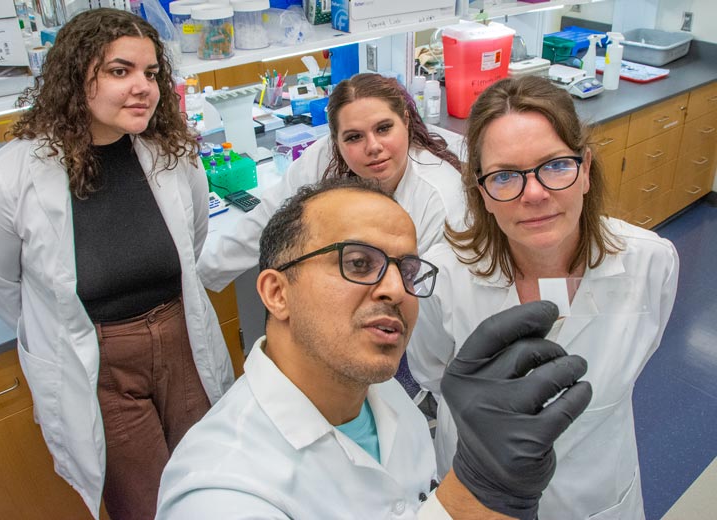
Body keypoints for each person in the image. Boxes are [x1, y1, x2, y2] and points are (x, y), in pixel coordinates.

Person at [156, 178, 592, 520]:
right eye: (358, 262)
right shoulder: (220, 492)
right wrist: (482, 490)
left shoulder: (382, 393)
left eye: (408, 270)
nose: (395, 290)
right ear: (277, 293)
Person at [0, 9, 233, 520]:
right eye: (119, 71)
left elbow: (191, 242)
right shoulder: (12, 176)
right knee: (147, 506)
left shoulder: (172, 153)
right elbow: (2, 287)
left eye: (151, 74)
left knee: (212, 485)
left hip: (183, 342)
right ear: (75, 76)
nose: (142, 87)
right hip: (100, 366)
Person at [408, 76, 679, 520]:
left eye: (555, 165)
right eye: (505, 176)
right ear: (482, 193)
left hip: (595, 496)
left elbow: (641, 352)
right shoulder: (443, 276)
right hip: (481, 496)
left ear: (586, 170)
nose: (533, 194)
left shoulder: (651, 263)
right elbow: (432, 372)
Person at [197, 72, 466, 294]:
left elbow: (423, 302)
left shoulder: (438, 198)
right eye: (353, 137)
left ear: (405, 121)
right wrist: (199, 278)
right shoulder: (323, 156)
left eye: (384, 129)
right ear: (336, 140)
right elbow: (269, 220)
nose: (373, 147)